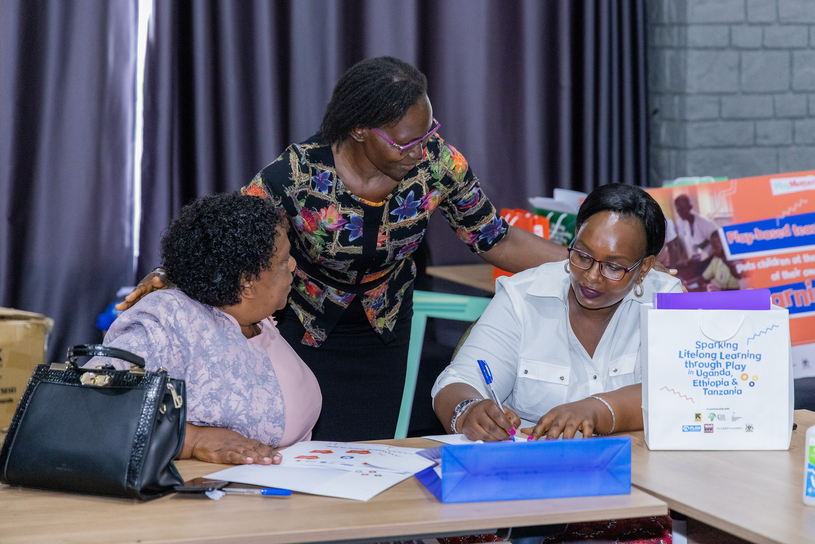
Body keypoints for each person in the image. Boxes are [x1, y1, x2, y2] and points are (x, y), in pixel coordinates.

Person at [118, 56, 567, 441]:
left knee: (370, 451)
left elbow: (496, 238)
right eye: (405, 142)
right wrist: (170, 274)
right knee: (302, 450)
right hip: (303, 327)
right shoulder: (296, 173)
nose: (420, 150)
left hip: (385, 327)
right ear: (358, 130)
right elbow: (231, 237)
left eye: (427, 132)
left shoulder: (438, 165)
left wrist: (585, 262)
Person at [432, 184, 682, 441]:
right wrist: (468, 410)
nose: (591, 277)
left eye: (613, 267)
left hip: (635, 467)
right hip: (532, 469)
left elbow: (677, 389)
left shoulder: (665, 300)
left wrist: (597, 410)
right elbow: (457, 381)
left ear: (644, 268)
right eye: (583, 255)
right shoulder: (523, 296)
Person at [93, 193, 321, 465]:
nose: (294, 266)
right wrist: (194, 439)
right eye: (284, 261)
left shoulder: (255, 315)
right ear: (247, 283)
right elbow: (92, 410)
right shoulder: (169, 321)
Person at [673, 194, 718, 266]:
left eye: (682, 209)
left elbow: (718, 244)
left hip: (712, 261)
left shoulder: (705, 223)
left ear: (690, 207)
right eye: (678, 210)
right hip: (700, 262)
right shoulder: (684, 224)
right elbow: (692, 249)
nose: (680, 213)